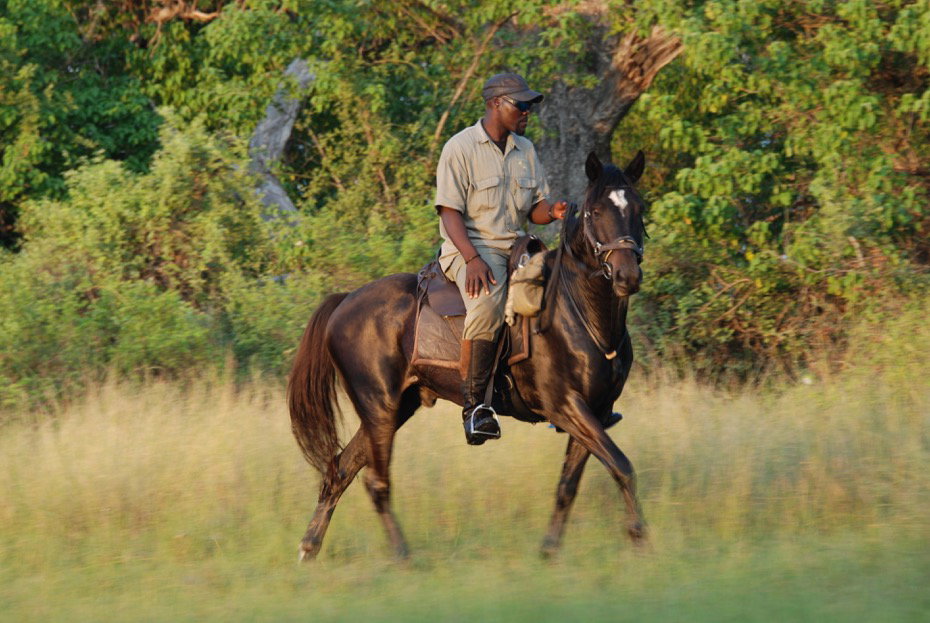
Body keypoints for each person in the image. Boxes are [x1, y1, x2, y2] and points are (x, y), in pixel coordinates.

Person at [434, 72, 568, 445]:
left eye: (529, 106)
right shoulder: (460, 147)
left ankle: (562, 398)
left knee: (562, 291)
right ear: (495, 104)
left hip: (518, 247)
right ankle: (475, 408)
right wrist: (472, 259)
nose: (527, 112)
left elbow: (535, 210)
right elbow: (448, 212)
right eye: (521, 105)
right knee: (488, 303)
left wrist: (553, 211)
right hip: (473, 248)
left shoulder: (526, 150)